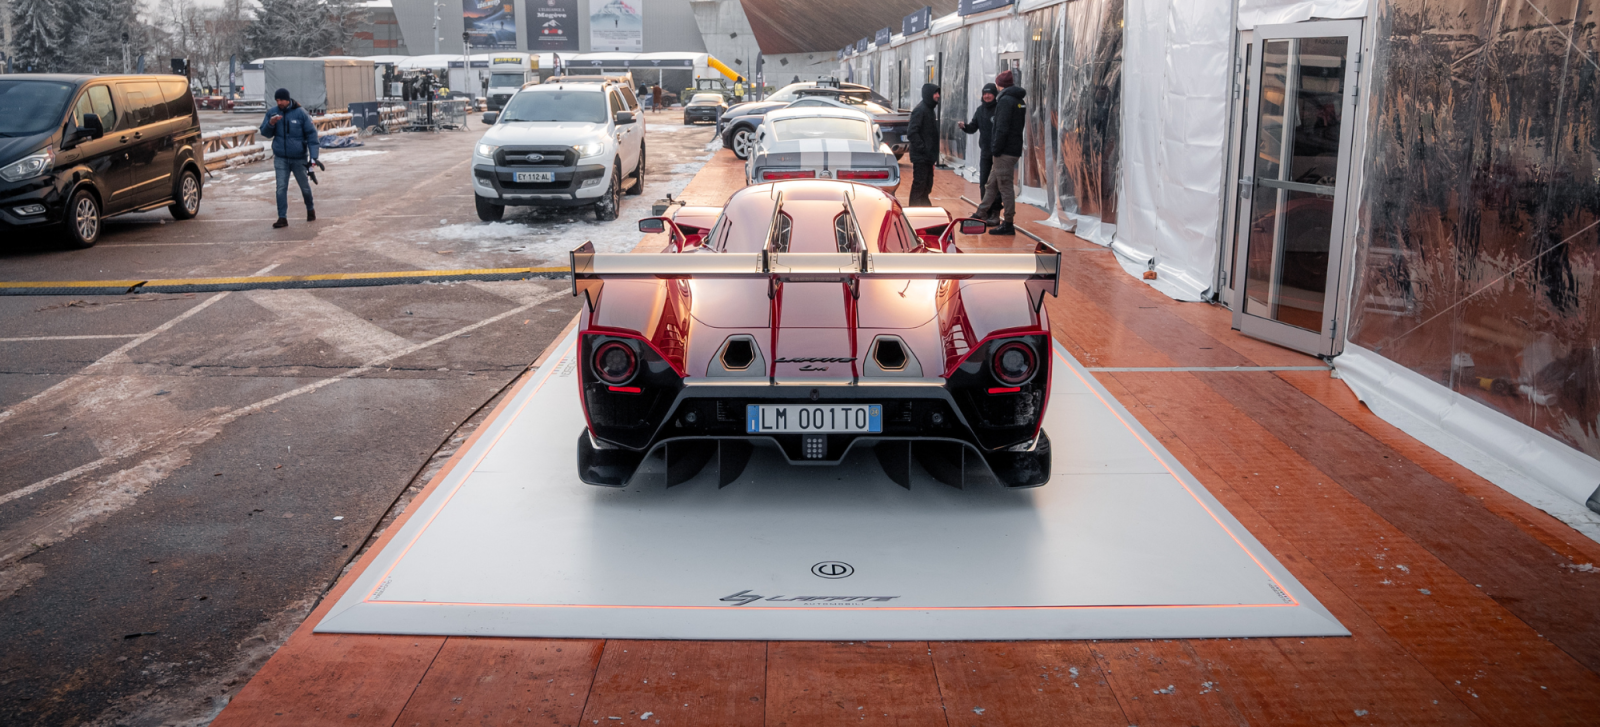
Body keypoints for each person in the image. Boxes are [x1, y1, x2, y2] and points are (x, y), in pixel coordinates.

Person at [259, 88, 319, 229]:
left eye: (281, 100)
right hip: (281, 158)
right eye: (277, 100)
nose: (279, 102)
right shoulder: (272, 113)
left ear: (287, 99)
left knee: (304, 187)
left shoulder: (300, 113)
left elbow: (312, 135)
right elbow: (265, 133)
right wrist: (271, 124)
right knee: (281, 188)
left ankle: (310, 209)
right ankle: (282, 218)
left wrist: (314, 157)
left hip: (299, 158)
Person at [976, 70, 1025, 235]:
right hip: (1012, 149)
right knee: (991, 183)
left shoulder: (1005, 101)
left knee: (1004, 187)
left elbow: (1002, 127)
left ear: (999, 85)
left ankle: (1008, 223)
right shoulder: (1019, 100)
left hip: (1004, 151)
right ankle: (981, 212)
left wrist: (995, 148)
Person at [958, 82, 999, 217]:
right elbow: (973, 128)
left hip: (998, 153)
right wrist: (965, 127)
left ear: (995, 94)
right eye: (985, 93)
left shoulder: (999, 109)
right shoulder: (980, 110)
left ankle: (995, 211)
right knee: (984, 183)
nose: (987, 96)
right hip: (985, 152)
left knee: (996, 184)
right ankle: (985, 211)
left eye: (990, 93)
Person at [906, 83, 940, 208]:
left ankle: (924, 209)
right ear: (928, 94)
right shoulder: (921, 110)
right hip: (921, 157)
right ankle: (914, 211)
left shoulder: (930, 110)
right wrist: (923, 149)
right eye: (935, 93)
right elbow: (912, 132)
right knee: (920, 184)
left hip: (928, 157)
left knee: (926, 185)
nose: (938, 96)